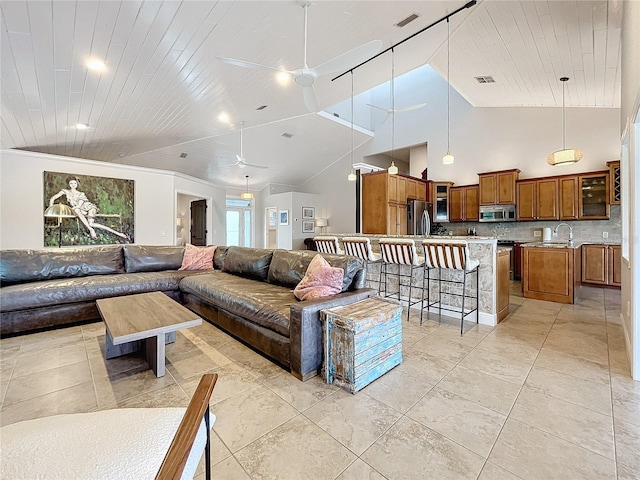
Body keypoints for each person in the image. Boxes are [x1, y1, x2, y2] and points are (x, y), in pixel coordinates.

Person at [49, 177, 128, 241]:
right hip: (80, 210)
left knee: (83, 215)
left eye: (74, 183)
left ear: (77, 184)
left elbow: (79, 205)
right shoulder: (65, 191)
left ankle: (117, 234)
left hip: (89, 207)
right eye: (71, 183)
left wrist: (76, 208)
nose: (73, 185)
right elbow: (52, 198)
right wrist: (50, 208)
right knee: (81, 215)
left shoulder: (81, 194)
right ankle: (92, 230)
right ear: (68, 184)